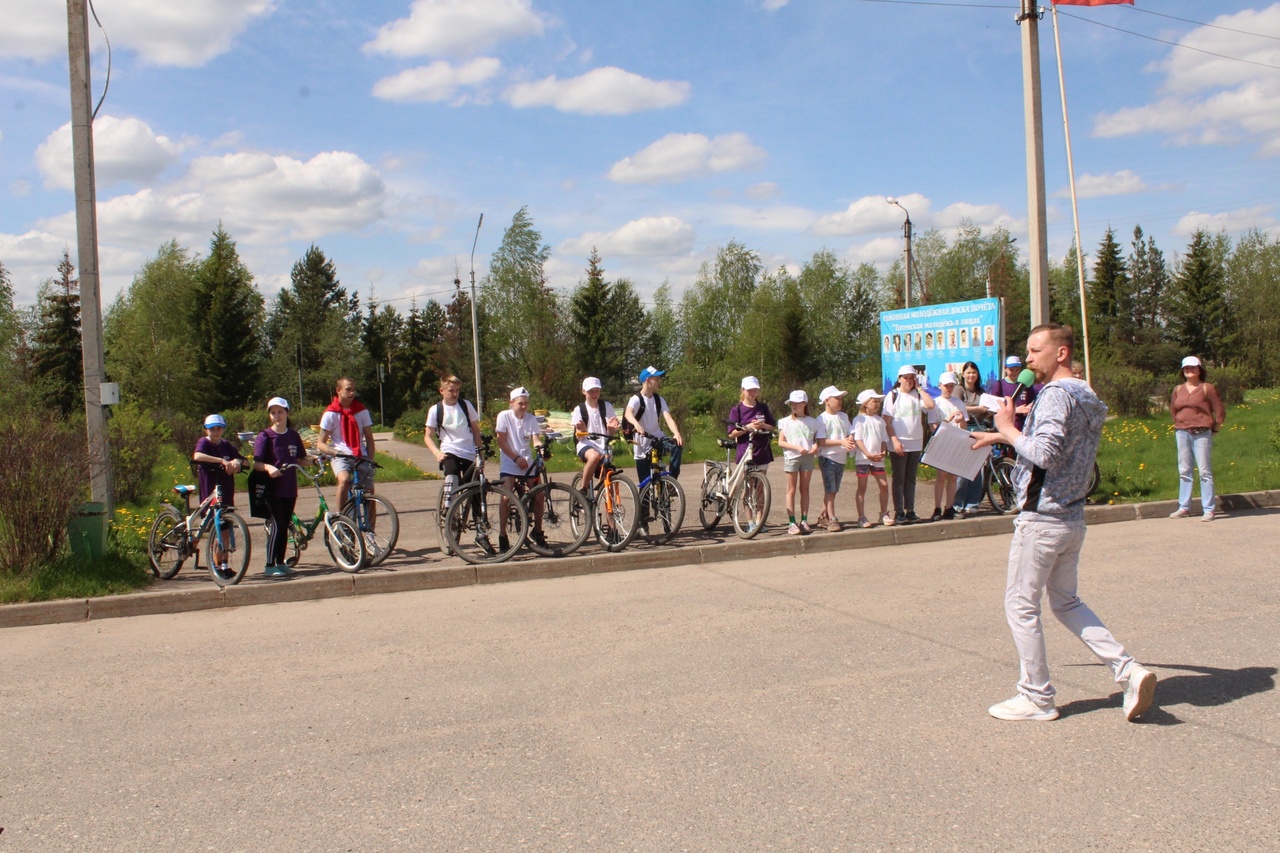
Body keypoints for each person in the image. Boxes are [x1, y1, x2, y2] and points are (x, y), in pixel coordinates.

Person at [973, 323, 1156, 723]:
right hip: (1071, 516)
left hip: (1042, 519)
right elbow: (1061, 449)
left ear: (1061, 353)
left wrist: (1007, 429)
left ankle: (1036, 697)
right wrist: (1002, 437)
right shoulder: (1085, 393)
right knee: (1066, 601)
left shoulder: (1055, 395)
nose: (1028, 359)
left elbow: (1047, 454)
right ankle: (1128, 671)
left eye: (1035, 350)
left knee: (1021, 606)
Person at [424, 375, 486, 550]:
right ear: (442, 391)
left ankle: (481, 530)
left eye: (457, 390)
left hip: (468, 452)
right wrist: (437, 452)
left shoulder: (466, 406)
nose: (455, 393)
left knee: (476, 488)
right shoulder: (436, 410)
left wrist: (479, 455)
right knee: (451, 475)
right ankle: (449, 511)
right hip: (449, 450)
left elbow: (476, 432)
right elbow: (427, 436)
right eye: (451, 390)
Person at [253, 397, 307, 578]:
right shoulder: (265, 436)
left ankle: (281, 562)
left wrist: (314, 461)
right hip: (272, 489)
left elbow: (299, 459)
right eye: (273, 412)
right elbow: (257, 464)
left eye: (280, 412)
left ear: (287, 413)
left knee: (284, 525)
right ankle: (269, 565)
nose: (277, 416)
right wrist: (268, 467)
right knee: (276, 525)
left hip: (289, 488)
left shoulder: (293, 435)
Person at [1169, 355, 1226, 522]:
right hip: (1182, 432)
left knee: (1204, 471)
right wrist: (1181, 424)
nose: (1189, 370)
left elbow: (1220, 411)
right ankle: (1184, 507)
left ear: (1200, 370)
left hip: (1202, 433)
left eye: (1193, 367)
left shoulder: (1207, 388)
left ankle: (1209, 509)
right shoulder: (1178, 390)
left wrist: (1215, 428)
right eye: (1186, 368)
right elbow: (1174, 410)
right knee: (1184, 470)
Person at [192, 413, 245, 580]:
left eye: (219, 429)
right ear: (206, 430)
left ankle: (224, 564)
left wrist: (237, 461)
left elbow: (245, 461)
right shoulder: (204, 443)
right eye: (212, 429)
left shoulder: (226, 445)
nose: (216, 432)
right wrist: (222, 461)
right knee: (217, 527)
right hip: (210, 489)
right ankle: (216, 563)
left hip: (226, 489)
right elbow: (198, 456)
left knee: (225, 529)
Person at [495, 387, 548, 551]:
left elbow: (536, 439)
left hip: (526, 462)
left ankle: (537, 531)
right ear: (512, 403)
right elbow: (501, 441)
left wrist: (541, 450)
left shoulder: (531, 419)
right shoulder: (504, 416)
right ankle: (503, 534)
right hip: (510, 461)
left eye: (526, 403)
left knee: (539, 495)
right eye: (520, 404)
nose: (524, 407)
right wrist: (515, 458)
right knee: (506, 496)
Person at [882, 364, 936, 524]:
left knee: (911, 478)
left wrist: (919, 389)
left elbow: (930, 405)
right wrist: (894, 440)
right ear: (899, 379)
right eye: (906, 378)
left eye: (912, 378)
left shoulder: (917, 395)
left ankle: (910, 509)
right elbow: (887, 420)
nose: (909, 381)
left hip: (915, 442)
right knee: (899, 477)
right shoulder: (892, 395)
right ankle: (899, 511)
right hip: (899, 442)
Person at [318, 377, 376, 513]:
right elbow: (320, 443)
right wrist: (333, 452)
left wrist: (371, 461)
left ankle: (370, 531)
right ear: (338, 390)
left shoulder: (361, 411)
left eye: (354, 390)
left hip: (360, 455)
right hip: (340, 455)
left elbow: (369, 438)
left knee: (370, 492)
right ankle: (340, 518)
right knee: (344, 480)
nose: (352, 393)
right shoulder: (330, 413)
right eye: (348, 389)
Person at [626, 366, 684, 484]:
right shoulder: (636, 399)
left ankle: (672, 482)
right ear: (647, 380)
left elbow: (668, 418)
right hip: (642, 444)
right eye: (656, 379)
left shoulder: (659, 399)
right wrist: (636, 424)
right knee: (645, 488)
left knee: (676, 446)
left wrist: (676, 433)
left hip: (658, 438)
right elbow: (628, 413)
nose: (659, 382)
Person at [777, 390, 823, 535]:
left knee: (805, 489)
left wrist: (816, 446)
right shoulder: (785, 421)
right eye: (792, 403)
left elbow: (818, 440)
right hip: (792, 457)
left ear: (805, 404)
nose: (794, 405)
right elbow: (781, 442)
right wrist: (796, 447)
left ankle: (804, 520)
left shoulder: (813, 422)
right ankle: (791, 522)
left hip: (808, 458)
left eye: (797, 403)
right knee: (791, 489)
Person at [928, 372, 968, 521]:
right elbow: (933, 427)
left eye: (951, 386)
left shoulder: (959, 403)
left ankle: (949, 507)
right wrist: (947, 419)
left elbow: (964, 427)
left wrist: (962, 420)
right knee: (941, 476)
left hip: (956, 442)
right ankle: (937, 507)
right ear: (940, 386)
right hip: (942, 442)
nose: (949, 389)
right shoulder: (935, 403)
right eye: (946, 386)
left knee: (953, 477)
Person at [952, 360, 989, 517]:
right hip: (964, 429)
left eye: (974, 372)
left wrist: (989, 411)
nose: (971, 375)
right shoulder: (959, 390)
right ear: (963, 374)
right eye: (968, 372)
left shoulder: (981, 392)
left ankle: (973, 502)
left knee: (977, 469)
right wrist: (978, 408)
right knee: (962, 468)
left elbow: (985, 411)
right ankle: (957, 503)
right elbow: (957, 406)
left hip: (980, 428)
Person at [815, 385, 854, 532]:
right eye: (836, 398)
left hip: (841, 458)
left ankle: (823, 515)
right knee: (830, 489)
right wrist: (841, 442)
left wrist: (850, 438)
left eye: (841, 398)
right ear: (827, 401)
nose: (840, 401)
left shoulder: (843, 416)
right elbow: (822, 441)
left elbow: (851, 431)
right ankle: (832, 518)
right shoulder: (821, 419)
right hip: (827, 458)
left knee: (834, 489)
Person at [571, 377, 620, 490]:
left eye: (597, 390)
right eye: (591, 391)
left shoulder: (607, 406)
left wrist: (612, 429)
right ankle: (583, 489)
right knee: (594, 457)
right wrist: (582, 431)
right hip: (585, 444)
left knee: (608, 477)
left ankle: (610, 505)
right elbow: (578, 437)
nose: (594, 394)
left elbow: (610, 433)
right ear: (584, 391)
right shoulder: (579, 410)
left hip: (604, 445)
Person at [852, 390, 891, 528]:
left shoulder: (880, 421)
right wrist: (867, 454)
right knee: (862, 487)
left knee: (884, 486)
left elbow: (884, 439)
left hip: (877, 459)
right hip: (863, 459)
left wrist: (883, 451)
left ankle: (883, 514)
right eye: (874, 401)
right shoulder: (859, 419)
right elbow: (858, 439)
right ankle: (861, 516)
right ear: (866, 403)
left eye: (878, 401)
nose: (877, 404)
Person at [727, 376, 776, 470]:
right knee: (747, 482)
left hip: (762, 450)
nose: (753, 393)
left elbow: (772, 427)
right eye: (750, 390)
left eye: (755, 390)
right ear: (743, 390)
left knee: (761, 483)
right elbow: (732, 434)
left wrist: (763, 425)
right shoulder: (737, 409)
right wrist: (747, 427)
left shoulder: (763, 407)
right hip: (745, 450)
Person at [989, 355, 1036, 431]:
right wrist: (1016, 410)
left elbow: (1032, 400)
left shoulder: (1026, 384)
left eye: (1017, 370)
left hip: (1024, 426)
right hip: (1007, 426)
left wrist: (1029, 408)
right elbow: (994, 407)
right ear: (1005, 369)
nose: (1014, 373)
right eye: (1011, 370)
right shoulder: (999, 384)